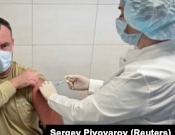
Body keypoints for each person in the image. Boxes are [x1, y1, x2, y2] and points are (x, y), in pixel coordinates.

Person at [39, 0, 175, 124]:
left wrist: (52, 97)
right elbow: (131, 97)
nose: (118, 19)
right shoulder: (163, 58)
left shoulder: (143, 74)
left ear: (143, 20)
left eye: (122, 12)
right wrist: (90, 84)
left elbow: (84, 113)